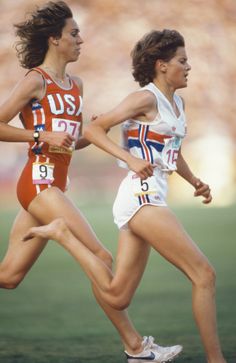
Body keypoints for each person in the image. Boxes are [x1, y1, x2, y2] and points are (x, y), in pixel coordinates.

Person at [24, 29, 227, 363]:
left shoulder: (177, 102)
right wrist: (130, 158)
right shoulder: (144, 98)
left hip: (149, 194)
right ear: (162, 65)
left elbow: (170, 153)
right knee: (204, 274)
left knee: (117, 296)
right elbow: (92, 129)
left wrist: (194, 182)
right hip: (141, 195)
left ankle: (62, 234)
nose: (189, 66)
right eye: (182, 60)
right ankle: (215, 359)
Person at [0, 2, 183, 362]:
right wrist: (41, 135)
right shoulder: (35, 80)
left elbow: (69, 142)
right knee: (101, 255)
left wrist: (97, 131)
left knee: (9, 276)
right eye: (74, 33)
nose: (81, 39)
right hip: (38, 184)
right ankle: (136, 348)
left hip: (55, 186)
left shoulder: (76, 85)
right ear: (54, 40)